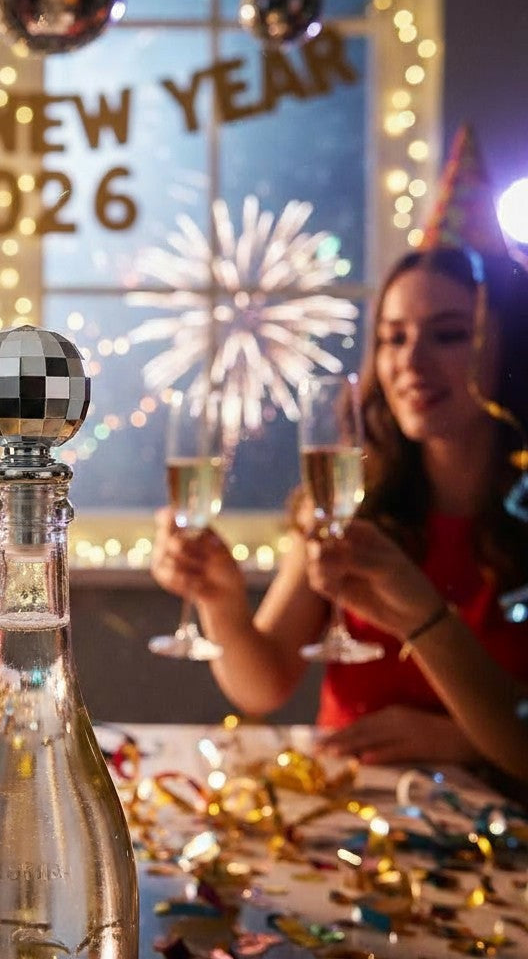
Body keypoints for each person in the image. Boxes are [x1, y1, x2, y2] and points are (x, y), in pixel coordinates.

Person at [151, 243, 528, 783]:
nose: (411, 362)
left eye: (447, 335)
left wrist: (462, 739)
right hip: (346, 811)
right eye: (393, 338)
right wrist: (222, 601)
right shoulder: (352, 500)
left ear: (508, 348)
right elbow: (263, 685)